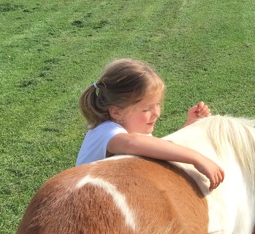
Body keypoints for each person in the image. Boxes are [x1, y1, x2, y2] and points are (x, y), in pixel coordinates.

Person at [75, 58, 225, 190]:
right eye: (146, 109)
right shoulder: (106, 131)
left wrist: (188, 125)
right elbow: (131, 143)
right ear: (116, 112)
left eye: (157, 104)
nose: (157, 113)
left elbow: (161, 149)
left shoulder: (132, 131)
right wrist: (197, 158)